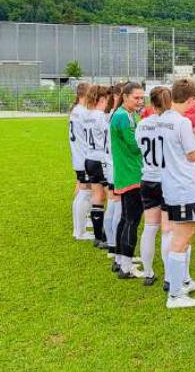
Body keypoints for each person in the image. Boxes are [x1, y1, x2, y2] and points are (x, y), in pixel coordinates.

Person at [159, 78, 195, 309]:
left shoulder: (162, 119)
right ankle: (175, 293)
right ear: (191, 99)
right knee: (182, 237)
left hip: (172, 183)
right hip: (181, 186)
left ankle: (182, 281)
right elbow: (193, 154)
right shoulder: (179, 122)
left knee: (185, 234)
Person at [134, 86, 172, 286]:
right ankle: (168, 276)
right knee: (167, 229)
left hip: (148, 178)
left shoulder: (143, 124)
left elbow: (140, 147)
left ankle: (148, 273)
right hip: (166, 179)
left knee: (150, 227)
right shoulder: (171, 124)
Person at [109, 82, 146, 279]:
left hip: (126, 172)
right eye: (136, 98)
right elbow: (133, 145)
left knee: (125, 218)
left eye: (142, 97)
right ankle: (126, 266)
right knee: (132, 220)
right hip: (131, 173)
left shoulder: (126, 114)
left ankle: (119, 258)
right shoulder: (124, 116)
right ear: (125, 97)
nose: (140, 101)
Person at [82, 85, 111, 249]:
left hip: (89, 159)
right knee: (112, 197)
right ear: (102, 99)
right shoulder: (101, 116)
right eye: (106, 99)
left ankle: (98, 236)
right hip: (101, 159)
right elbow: (108, 138)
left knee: (97, 197)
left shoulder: (86, 115)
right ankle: (107, 236)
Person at [69, 82, 93, 241]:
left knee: (84, 192)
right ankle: (79, 231)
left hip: (79, 157)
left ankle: (81, 227)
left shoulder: (76, 110)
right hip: (83, 157)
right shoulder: (83, 112)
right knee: (85, 192)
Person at [103, 83, 124, 264]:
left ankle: (112, 246)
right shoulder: (118, 116)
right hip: (116, 167)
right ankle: (118, 250)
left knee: (112, 204)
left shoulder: (110, 114)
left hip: (110, 165)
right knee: (118, 207)